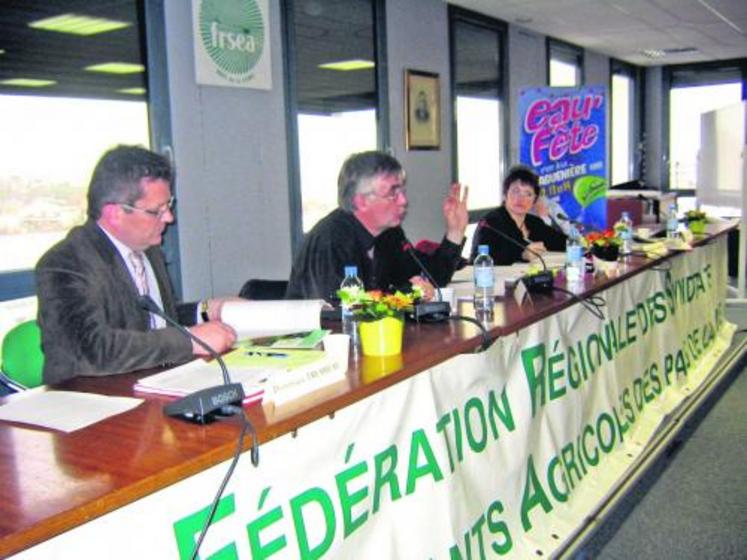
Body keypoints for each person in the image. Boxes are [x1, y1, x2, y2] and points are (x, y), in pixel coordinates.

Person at [36, 145, 237, 384]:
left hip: (156, 386)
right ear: (115, 214)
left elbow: (156, 320)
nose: (169, 218)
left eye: (169, 205)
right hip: (91, 401)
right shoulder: (64, 263)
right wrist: (189, 340)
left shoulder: (148, 250)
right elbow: (91, 350)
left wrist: (207, 310)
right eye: (157, 211)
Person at [286, 150, 469, 301]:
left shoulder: (389, 234)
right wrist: (407, 294)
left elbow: (430, 280)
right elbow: (339, 313)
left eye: (402, 192)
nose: (404, 201)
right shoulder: (330, 242)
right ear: (361, 201)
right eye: (393, 194)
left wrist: (455, 232)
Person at [471, 165, 566, 265]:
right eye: (516, 191)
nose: (521, 199)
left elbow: (560, 243)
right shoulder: (491, 223)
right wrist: (521, 255)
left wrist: (577, 244)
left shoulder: (534, 222)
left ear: (534, 200)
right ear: (505, 194)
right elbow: (482, 259)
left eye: (528, 194)